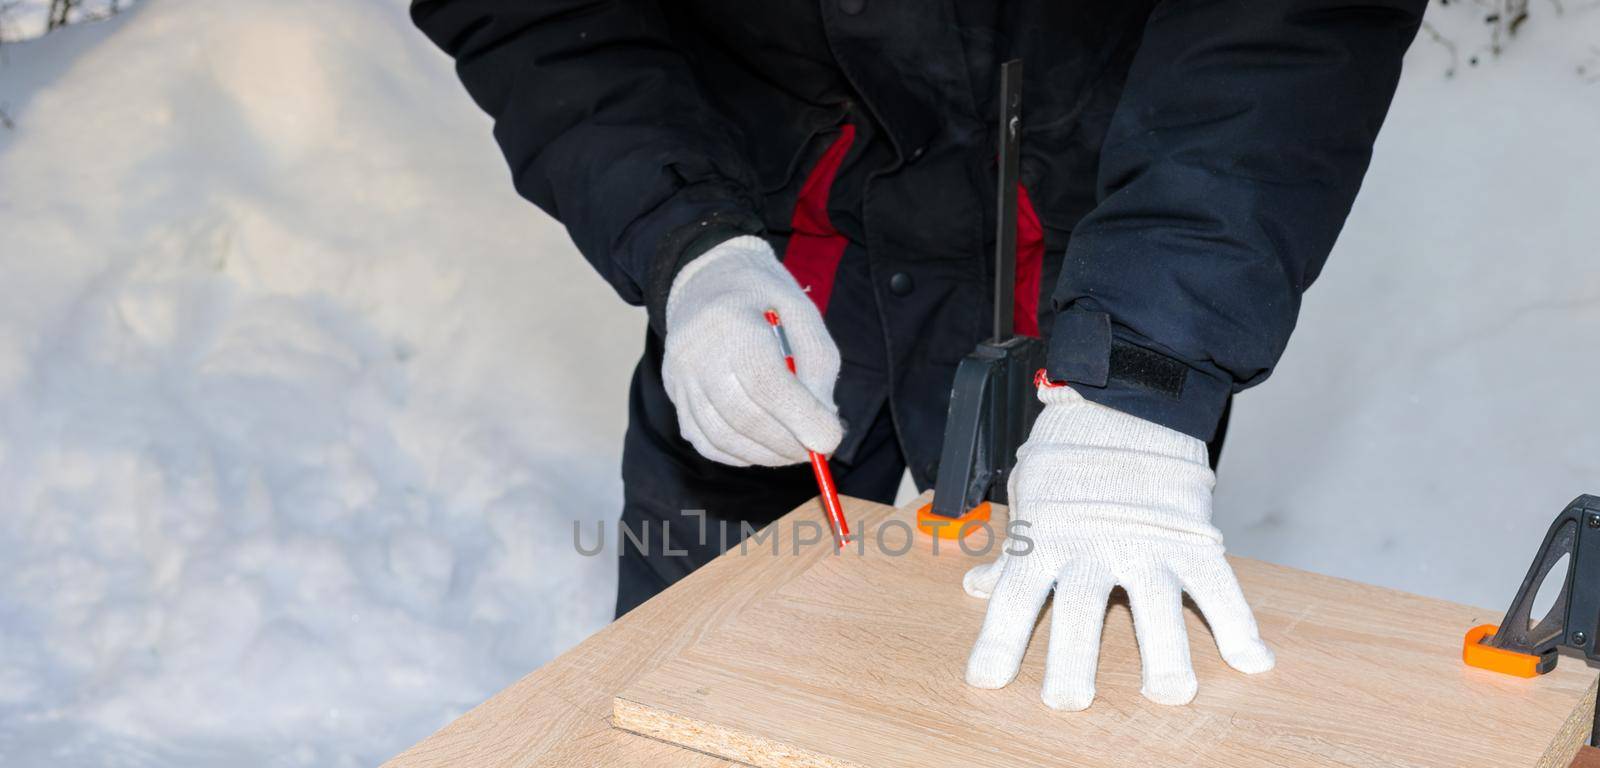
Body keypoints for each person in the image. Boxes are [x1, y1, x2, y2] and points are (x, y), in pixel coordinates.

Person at [412, 2, 1424, 710]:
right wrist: (686, 241)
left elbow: (1286, 33)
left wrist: (1140, 370)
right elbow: (539, 14)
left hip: (1092, 270)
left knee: (1045, 713)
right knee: (690, 691)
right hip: (771, 260)